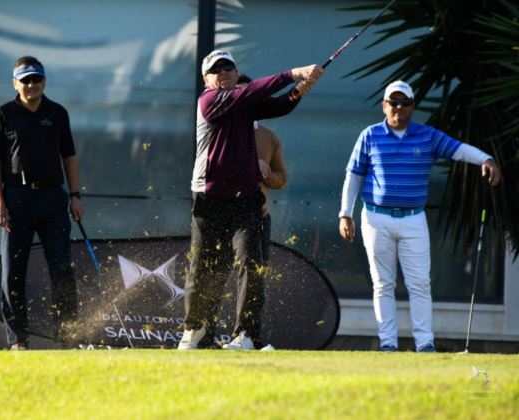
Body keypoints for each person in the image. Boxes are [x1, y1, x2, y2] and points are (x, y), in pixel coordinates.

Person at [338, 80, 500, 352]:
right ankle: (387, 343)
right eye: (393, 102)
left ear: (412, 106)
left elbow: (458, 149)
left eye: (404, 102)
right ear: (384, 105)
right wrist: (345, 213)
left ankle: (425, 344)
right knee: (383, 284)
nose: (398, 107)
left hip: (414, 219)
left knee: (420, 284)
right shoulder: (370, 135)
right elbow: (354, 176)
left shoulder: (427, 136)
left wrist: (486, 159)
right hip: (376, 218)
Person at [178, 50, 322, 351]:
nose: (223, 73)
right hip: (209, 198)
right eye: (215, 70)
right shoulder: (209, 101)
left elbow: (278, 106)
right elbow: (255, 91)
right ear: (206, 80)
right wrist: (295, 72)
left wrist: (298, 91)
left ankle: (245, 335)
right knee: (204, 268)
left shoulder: (244, 107)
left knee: (250, 263)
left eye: (228, 67)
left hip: (245, 200)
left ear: (235, 70)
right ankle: (195, 329)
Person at [0, 56, 84, 350]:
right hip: (16, 199)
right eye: (25, 80)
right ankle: (18, 341)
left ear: (44, 81)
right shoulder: (3, 114)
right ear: (15, 83)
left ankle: (67, 337)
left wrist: (75, 195)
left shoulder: (58, 113)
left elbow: (70, 157)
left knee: (62, 269)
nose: (31, 85)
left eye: (36, 79)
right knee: (13, 272)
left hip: (53, 198)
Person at [238, 74, 288, 263]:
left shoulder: (269, 137)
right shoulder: (217, 131)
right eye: (238, 95)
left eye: (249, 95)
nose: (244, 100)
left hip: (259, 216)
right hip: (224, 215)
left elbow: (281, 178)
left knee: (257, 276)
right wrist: (251, 163)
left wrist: (266, 173)